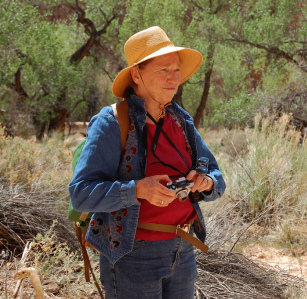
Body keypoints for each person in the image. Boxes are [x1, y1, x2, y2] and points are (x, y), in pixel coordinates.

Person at [69, 26, 226, 299]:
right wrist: (138, 190)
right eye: (163, 70)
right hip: (133, 257)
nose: (173, 78)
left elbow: (215, 174)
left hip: (183, 250)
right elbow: (81, 194)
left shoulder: (181, 119)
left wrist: (206, 181)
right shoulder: (111, 122)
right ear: (136, 74)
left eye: (176, 70)